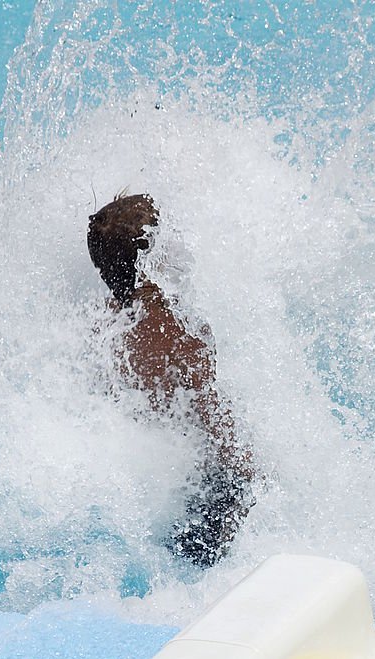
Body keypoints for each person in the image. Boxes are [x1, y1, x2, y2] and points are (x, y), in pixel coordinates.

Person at [87, 192, 256, 568]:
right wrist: (261, 477)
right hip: (210, 490)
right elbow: (217, 425)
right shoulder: (180, 331)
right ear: (153, 257)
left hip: (155, 493)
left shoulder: (103, 324)